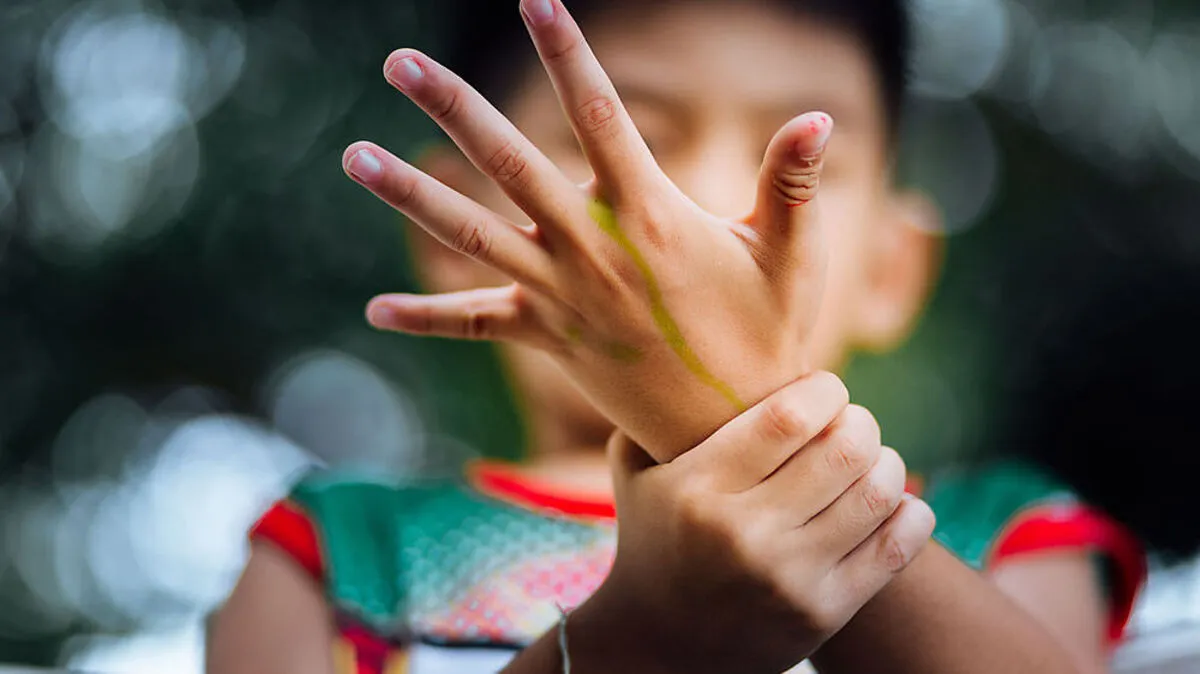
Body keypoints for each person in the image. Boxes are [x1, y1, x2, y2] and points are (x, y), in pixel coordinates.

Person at [207, 1, 1145, 672]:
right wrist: (631, 645)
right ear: (455, 229)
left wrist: (725, 416)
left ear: (890, 272)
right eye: (628, 142)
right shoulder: (335, 552)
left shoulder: (1005, 533)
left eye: (801, 165)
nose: (693, 215)